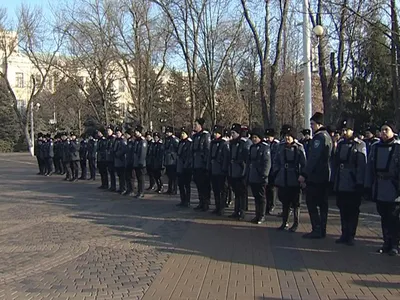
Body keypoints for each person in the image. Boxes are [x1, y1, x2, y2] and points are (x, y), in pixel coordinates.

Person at [365, 121, 400, 256]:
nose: (384, 133)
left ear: (393, 132)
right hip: (379, 186)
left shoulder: (397, 148)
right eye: (382, 130)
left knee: (394, 218)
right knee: (384, 217)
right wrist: (368, 186)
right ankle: (386, 243)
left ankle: (394, 244)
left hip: (393, 188)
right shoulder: (375, 147)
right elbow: (370, 167)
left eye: (387, 130)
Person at [332, 118, 367, 246]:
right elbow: (335, 162)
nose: (344, 132)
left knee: (352, 210)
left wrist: (359, 182)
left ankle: (351, 234)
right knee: (342, 208)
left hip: (352, 182)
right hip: (341, 181)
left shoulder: (359, 144)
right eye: (343, 130)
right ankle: (344, 232)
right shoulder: (341, 144)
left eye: (347, 130)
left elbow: (361, 165)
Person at [298, 112, 333, 239]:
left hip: (317, 176)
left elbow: (313, 158)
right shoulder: (327, 136)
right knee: (323, 204)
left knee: (312, 202)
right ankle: (321, 228)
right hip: (325, 175)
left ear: (319, 124)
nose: (311, 127)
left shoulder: (319, 138)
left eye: (313, 124)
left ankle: (317, 228)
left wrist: (304, 174)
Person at [274, 125, 306, 232]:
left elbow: (303, 163)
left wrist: (302, 175)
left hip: (294, 177)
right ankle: (285, 222)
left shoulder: (298, 147)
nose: (287, 138)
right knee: (285, 200)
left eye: (289, 136)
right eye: (285, 136)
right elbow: (276, 160)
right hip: (283, 176)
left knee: (296, 202)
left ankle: (296, 223)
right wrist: (277, 171)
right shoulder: (280, 146)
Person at [248, 127, 271, 224]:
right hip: (253, 176)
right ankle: (257, 214)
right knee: (256, 197)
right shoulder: (252, 147)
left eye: (256, 137)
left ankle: (261, 215)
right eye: (253, 137)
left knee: (261, 197)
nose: (254, 139)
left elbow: (267, 162)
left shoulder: (265, 147)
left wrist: (264, 174)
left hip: (261, 176)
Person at [228, 123, 249, 220]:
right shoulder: (232, 144)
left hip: (241, 172)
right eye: (231, 133)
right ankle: (236, 210)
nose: (232, 135)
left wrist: (243, 171)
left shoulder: (243, 144)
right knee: (236, 192)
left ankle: (242, 211)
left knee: (242, 193)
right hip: (233, 171)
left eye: (234, 133)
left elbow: (246, 159)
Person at [208, 125, 229, 215]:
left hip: (220, 170)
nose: (215, 134)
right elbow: (210, 156)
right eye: (214, 133)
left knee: (222, 190)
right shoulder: (213, 143)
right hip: (213, 169)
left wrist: (224, 168)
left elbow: (225, 157)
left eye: (217, 133)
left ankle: (222, 207)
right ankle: (217, 206)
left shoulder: (224, 144)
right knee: (215, 189)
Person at [192, 118, 211, 211]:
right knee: (198, 184)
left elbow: (207, 150)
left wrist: (206, 164)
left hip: (202, 164)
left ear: (200, 125)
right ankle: (201, 201)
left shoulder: (206, 135)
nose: (194, 126)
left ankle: (206, 203)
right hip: (196, 163)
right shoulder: (195, 136)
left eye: (196, 124)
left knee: (204, 184)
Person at [264, 128, 280, 215]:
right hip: (268, 170)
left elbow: (275, 157)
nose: (267, 139)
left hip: (273, 169)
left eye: (269, 137)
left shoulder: (276, 145)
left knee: (273, 188)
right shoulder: (267, 144)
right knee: (267, 188)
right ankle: (268, 205)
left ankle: (272, 205)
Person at [176, 127, 193, 207]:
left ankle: (187, 200)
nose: (182, 135)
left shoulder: (189, 143)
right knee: (180, 184)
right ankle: (182, 199)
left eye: (184, 133)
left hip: (186, 167)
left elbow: (189, 156)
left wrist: (186, 165)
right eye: (181, 133)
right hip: (180, 166)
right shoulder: (180, 142)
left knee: (187, 185)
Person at [132, 125, 147, 198]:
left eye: (137, 131)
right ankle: (139, 191)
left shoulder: (142, 141)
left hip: (141, 163)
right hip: (136, 162)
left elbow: (143, 152)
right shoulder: (136, 140)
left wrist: (141, 162)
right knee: (138, 178)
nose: (135, 133)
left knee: (141, 178)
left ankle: (141, 192)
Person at [164, 126, 179, 195]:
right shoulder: (167, 139)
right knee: (169, 175)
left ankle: (174, 189)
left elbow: (177, 149)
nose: (167, 134)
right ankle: (169, 189)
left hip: (173, 160)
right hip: (168, 160)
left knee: (174, 176)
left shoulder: (174, 139)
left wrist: (174, 156)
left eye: (168, 132)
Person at [114, 126, 127, 194]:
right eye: (116, 133)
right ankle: (121, 187)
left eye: (118, 133)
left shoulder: (123, 140)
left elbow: (124, 149)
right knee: (119, 175)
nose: (117, 134)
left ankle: (124, 188)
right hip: (117, 161)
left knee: (123, 175)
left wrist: (118, 154)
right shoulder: (116, 140)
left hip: (122, 160)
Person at [124, 128, 135, 196]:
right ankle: (128, 189)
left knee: (131, 177)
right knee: (127, 176)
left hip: (131, 161)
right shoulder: (128, 141)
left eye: (127, 134)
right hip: (127, 161)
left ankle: (132, 190)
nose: (125, 135)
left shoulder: (132, 142)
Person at [106, 125, 117, 191]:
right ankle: (112, 186)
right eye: (107, 130)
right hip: (109, 158)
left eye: (109, 130)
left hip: (112, 158)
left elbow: (113, 148)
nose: (108, 132)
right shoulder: (108, 138)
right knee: (110, 172)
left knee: (113, 173)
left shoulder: (113, 139)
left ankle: (114, 186)